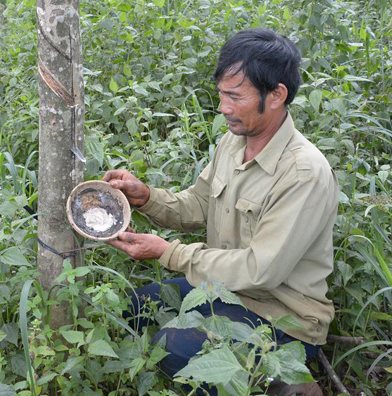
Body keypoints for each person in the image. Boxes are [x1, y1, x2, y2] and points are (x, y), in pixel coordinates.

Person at [103, 29, 338, 396]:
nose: (224, 108)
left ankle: (287, 385)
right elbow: (199, 203)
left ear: (276, 95)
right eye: (221, 94)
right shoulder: (234, 140)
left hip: (282, 315)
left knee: (172, 347)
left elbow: (260, 270)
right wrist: (145, 196)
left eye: (235, 96)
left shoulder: (304, 173)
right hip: (223, 289)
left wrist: (168, 252)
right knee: (132, 309)